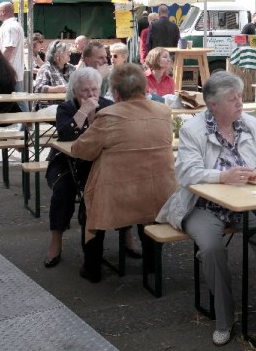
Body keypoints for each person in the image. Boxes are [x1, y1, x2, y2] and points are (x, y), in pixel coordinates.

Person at [156, 72, 256, 346]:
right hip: (203, 205)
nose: (240, 103)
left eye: (240, 96)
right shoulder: (193, 130)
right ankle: (224, 318)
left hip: (245, 202)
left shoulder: (249, 123)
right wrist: (222, 176)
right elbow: (187, 174)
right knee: (212, 249)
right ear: (213, 105)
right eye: (233, 99)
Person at [71, 63, 177, 283]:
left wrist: (90, 124)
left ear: (116, 93)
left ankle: (92, 268)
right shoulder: (164, 112)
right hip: (161, 192)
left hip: (118, 196)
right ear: (144, 88)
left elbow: (81, 151)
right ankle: (151, 263)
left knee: (90, 207)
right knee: (147, 208)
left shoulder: (109, 115)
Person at [42, 68, 115, 268]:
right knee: (63, 191)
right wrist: (83, 112)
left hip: (97, 163)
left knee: (119, 187)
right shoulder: (65, 108)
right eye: (85, 91)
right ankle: (56, 242)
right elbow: (66, 135)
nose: (91, 95)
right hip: (66, 160)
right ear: (75, 91)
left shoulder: (108, 106)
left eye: (94, 90)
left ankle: (126, 238)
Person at [0, 2, 25, 94]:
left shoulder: (10, 27)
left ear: (3, 12)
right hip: (11, 73)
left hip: (9, 74)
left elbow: (9, 49)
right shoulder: (12, 25)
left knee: (14, 100)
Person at [33, 40, 75, 107]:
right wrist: (56, 89)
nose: (69, 54)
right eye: (66, 52)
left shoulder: (71, 68)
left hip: (69, 105)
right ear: (57, 55)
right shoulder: (46, 68)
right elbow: (37, 88)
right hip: (50, 107)